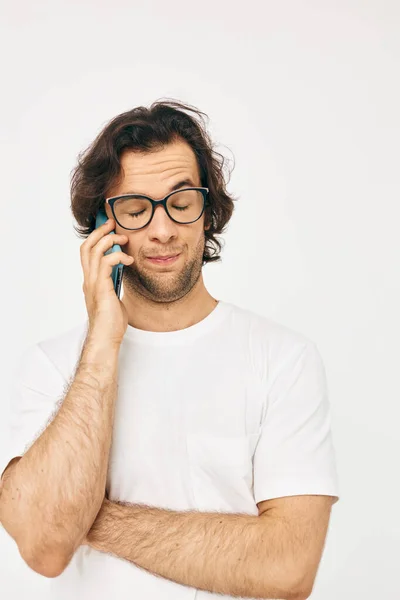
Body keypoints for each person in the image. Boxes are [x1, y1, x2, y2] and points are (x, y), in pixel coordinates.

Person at [0, 99, 339, 600]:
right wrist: (103, 340)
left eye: (181, 204)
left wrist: (87, 516)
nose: (162, 230)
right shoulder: (50, 368)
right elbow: (46, 548)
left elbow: (287, 569)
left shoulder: (283, 359)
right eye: (135, 210)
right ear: (103, 227)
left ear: (209, 212)